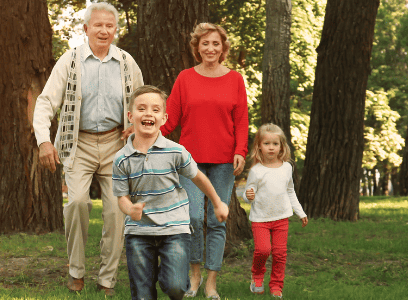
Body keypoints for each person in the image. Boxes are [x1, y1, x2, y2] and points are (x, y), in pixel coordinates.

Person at [32, 2, 144, 295]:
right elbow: (45, 102)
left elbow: (142, 102)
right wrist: (44, 140)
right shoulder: (69, 61)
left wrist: (136, 123)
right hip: (77, 143)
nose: (104, 30)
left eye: (109, 26)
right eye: (98, 25)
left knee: (116, 212)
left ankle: (107, 279)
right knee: (77, 203)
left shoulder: (126, 63)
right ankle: (76, 272)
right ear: (86, 29)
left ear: (115, 30)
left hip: (116, 145)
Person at [159, 23, 249, 299]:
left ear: (223, 49)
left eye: (216, 44)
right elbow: (170, 119)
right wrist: (146, 134)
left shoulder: (235, 79)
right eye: (205, 44)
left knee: (218, 221)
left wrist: (241, 151)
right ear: (197, 48)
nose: (210, 48)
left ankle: (212, 282)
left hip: (224, 161)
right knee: (194, 218)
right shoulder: (185, 78)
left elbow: (241, 120)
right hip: (190, 162)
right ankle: (194, 276)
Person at [114, 85, 229, 300]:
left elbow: (199, 178)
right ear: (130, 116)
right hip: (139, 232)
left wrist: (217, 202)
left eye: (155, 110)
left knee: (175, 286)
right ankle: (148, 276)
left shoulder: (176, 151)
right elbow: (121, 196)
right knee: (142, 295)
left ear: (164, 118)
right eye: (142, 108)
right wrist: (130, 208)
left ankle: (166, 272)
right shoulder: (122, 158)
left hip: (174, 229)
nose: (148, 113)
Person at [243, 124, 309, 299]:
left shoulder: (287, 168)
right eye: (266, 143)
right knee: (263, 250)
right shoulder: (256, 171)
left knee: (280, 254)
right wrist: (248, 195)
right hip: (260, 219)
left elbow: (290, 191)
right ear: (259, 146)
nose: (271, 147)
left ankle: (276, 286)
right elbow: (247, 193)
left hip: (281, 218)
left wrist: (300, 212)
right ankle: (257, 276)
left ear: (282, 146)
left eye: (275, 144)